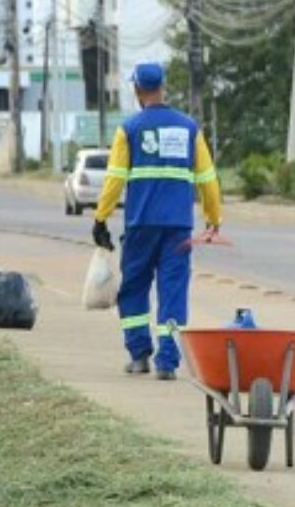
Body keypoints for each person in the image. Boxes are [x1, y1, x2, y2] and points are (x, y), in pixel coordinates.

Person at [91, 61, 222, 381]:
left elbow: (115, 179)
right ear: (163, 87)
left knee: (134, 287)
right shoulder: (189, 128)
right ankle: (167, 361)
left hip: (140, 224)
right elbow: (207, 178)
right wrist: (213, 217)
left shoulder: (130, 129)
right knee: (173, 291)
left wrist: (101, 217)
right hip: (178, 226)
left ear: (136, 90)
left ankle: (139, 355)